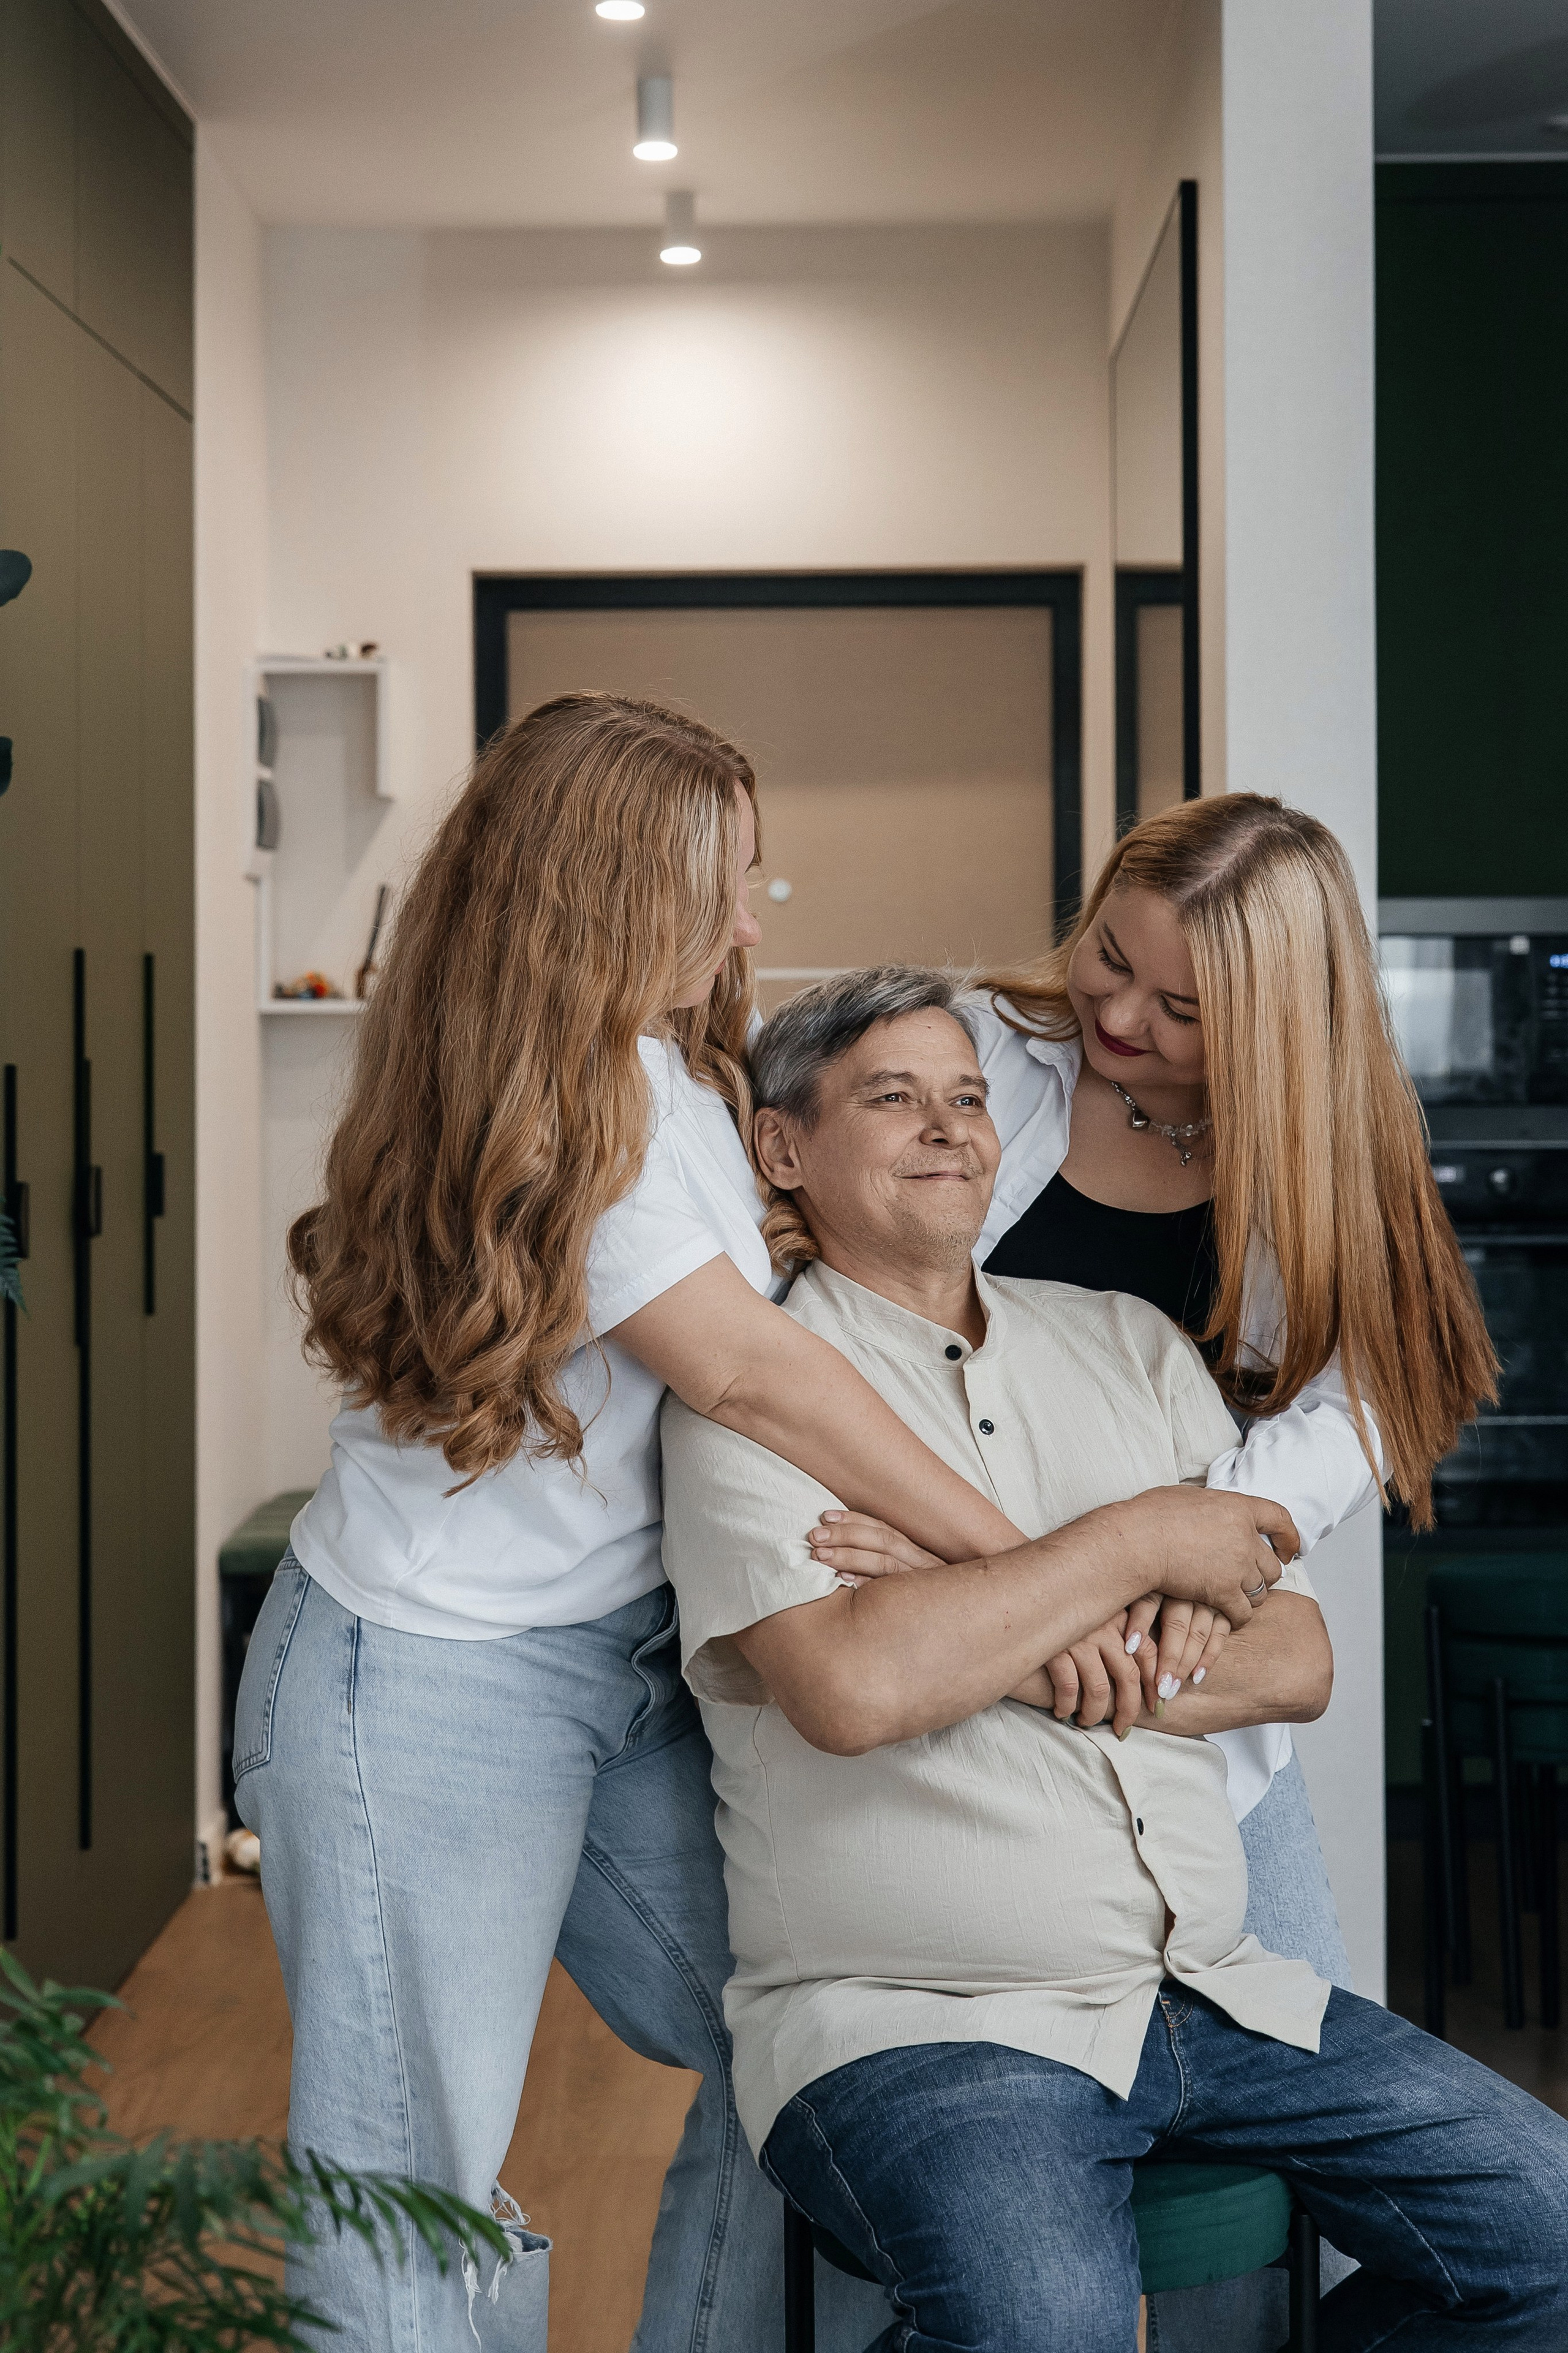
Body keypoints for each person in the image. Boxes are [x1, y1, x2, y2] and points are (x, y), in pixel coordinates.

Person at [231, 695, 1287, 2353]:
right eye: (725, 883)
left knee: (819, 2035)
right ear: (612, 891)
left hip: (630, 1661)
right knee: (405, 2177)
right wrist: (1026, 1567)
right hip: (432, 1686)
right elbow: (759, 1375)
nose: (748, 922)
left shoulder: (667, 1071)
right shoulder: (575, 1091)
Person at [659, 968, 1568, 2353]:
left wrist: (968, 1598)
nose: (950, 1126)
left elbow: (1294, 1660)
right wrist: (1130, 1542)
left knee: (1545, 2237)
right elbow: (853, 1690)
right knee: (1038, 2326)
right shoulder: (746, 1391)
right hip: (927, 2026)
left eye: (966, 1096)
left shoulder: (1130, 1347)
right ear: (782, 1148)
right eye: (891, 1098)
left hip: (1214, 1989)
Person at [809, 797, 1496, 1993]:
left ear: (1273, 1021)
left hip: (1174, 1674)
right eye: (1110, 959)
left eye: (1180, 1009)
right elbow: (824, 1321)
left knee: (1300, 2051)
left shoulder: (1328, 1142)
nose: (1118, 1016)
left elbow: (1366, 1394)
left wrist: (1192, 1545)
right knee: (820, 2087)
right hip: (943, 1637)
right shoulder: (966, 1052)